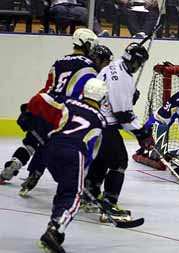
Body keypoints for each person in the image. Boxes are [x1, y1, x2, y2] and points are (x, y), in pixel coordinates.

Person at [0, 28, 101, 190]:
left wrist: (32, 108)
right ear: (87, 44)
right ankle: (38, 173)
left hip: (46, 106)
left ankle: (13, 165)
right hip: (65, 112)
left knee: (32, 141)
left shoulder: (59, 61)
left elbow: (48, 87)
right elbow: (86, 94)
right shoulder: (90, 67)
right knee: (52, 144)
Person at [19, 78, 107, 253]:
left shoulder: (67, 102)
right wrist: (81, 175)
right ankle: (56, 228)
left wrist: (27, 113)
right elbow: (91, 151)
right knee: (72, 193)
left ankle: (54, 227)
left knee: (64, 186)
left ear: (84, 92)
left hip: (50, 149)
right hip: (74, 153)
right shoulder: (100, 120)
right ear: (103, 99)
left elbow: (41, 99)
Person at [83, 42, 155, 218]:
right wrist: (142, 133)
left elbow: (117, 103)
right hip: (104, 124)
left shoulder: (114, 66)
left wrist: (130, 97)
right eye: (140, 63)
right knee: (119, 162)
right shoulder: (122, 78)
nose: (139, 67)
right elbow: (122, 115)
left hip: (94, 120)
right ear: (135, 61)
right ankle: (109, 204)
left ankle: (88, 195)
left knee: (102, 159)